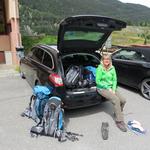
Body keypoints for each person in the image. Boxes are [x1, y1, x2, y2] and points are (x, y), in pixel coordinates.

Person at [96, 54, 127, 132]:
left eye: (108, 59)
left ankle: (117, 113)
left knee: (123, 100)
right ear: (102, 60)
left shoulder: (112, 68)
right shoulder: (100, 68)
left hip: (111, 88)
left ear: (110, 60)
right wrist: (107, 88)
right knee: (116, 100)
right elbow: (98, 81)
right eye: (105, 59)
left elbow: (114, 80)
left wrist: (113, 89)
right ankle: (119, 121)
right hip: (102, 88)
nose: (107, 61)